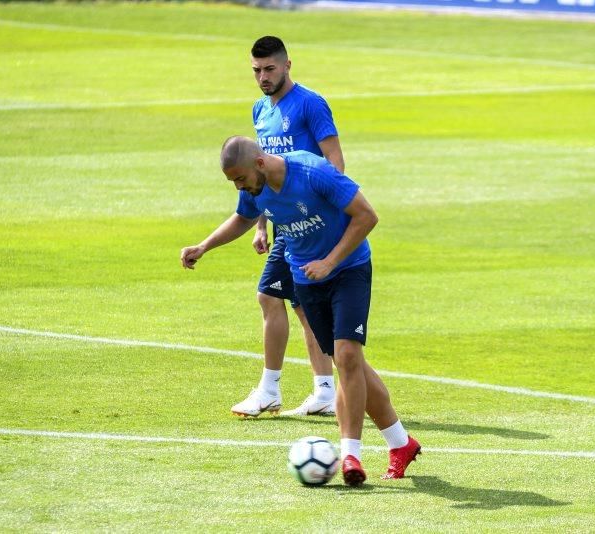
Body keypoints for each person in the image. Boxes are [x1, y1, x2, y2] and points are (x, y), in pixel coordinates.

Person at [180, 136, 421, 485]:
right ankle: (401, 443)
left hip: (349, 268)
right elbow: (243, 217)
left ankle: (350, 454)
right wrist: (204, 246)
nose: (239, 187)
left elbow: (367, 216)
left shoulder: (313, 172)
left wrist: (329, 261)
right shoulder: (253, 187)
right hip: (307, 279)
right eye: (233, 182)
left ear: (260, 163)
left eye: (240, 180)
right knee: (347, 361)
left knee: (348, 356)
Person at [237, 36, 346, 417]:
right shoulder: (259, 110)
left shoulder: (311, 104)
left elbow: (335, 163)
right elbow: (260, 172)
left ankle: (270, 389)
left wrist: (320, 215)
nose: (262, 77)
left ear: (287, 65)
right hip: (283, 222)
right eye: (256, 71)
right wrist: (261, 225)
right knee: (301, 307)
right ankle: (325, 390)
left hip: (308, 221)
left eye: (269, 69)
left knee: (270, 296)